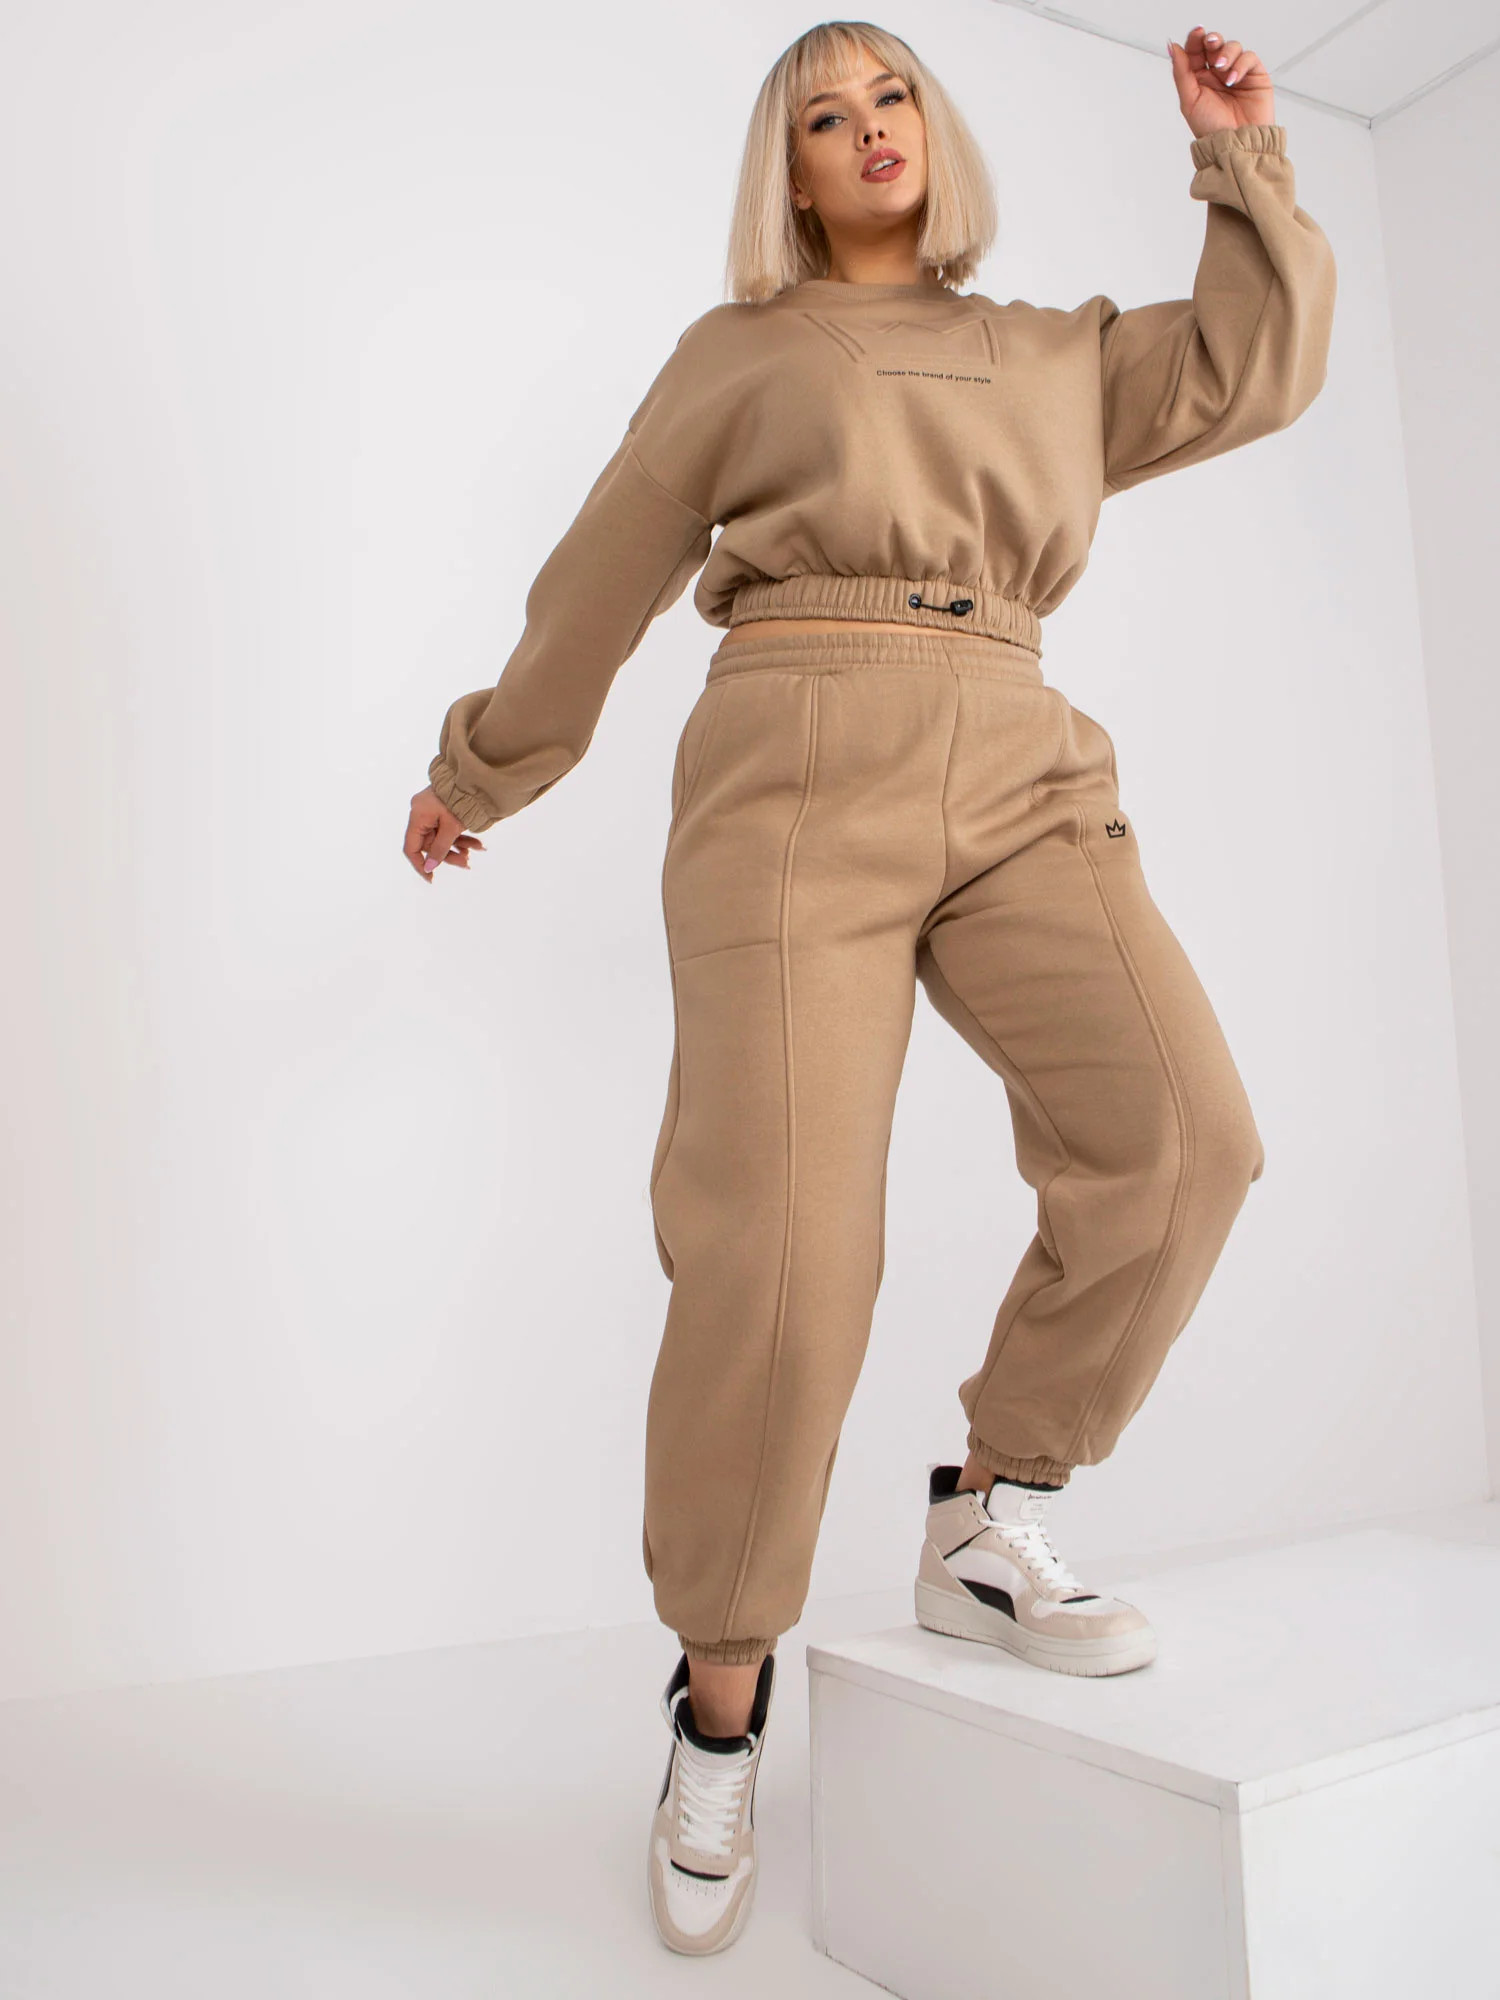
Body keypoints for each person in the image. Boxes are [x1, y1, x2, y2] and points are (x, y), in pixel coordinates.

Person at [402, 17, 1335, 1957]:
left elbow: (1256, 364)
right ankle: (719, 1703)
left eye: (890, 94)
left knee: (1184, 1141)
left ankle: (986, 1509)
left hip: (1019, 743)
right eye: (823, 117)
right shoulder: (738, 355)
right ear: (794, 173)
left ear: (933, 129)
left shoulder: (1057, 354)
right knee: (785, 1255)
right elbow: (602, 571)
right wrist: (486, 766)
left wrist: (1241, 157)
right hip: (793, 753)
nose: (867, 129)